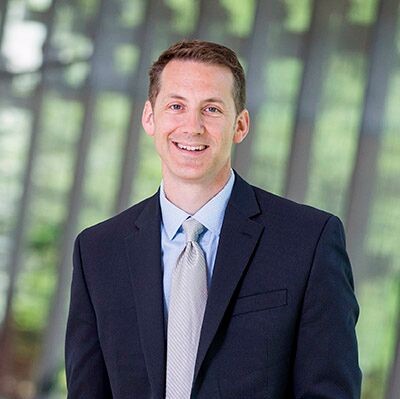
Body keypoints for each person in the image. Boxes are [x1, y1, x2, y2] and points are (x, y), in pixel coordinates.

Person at [65, 40, 362, 398]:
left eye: (212, 109)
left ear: (240, 125)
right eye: (176, 106)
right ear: (150, 117)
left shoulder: (308, 241)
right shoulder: (98, 251)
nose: (192, 126)